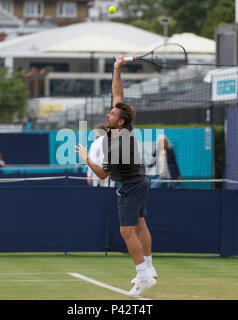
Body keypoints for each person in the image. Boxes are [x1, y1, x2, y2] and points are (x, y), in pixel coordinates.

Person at [75, 56, 157, 297]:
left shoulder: (117, 144)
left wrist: (86, 158)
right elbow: (117, 93)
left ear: (120, 121)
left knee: (126, 231)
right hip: (141, 181)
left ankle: (143, 275)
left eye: (111, 114)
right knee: (140, 224)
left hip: (131, 186)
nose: (108, 114)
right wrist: (117, 68)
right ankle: (149, 268)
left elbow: (102, 173)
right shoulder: (122, 127)